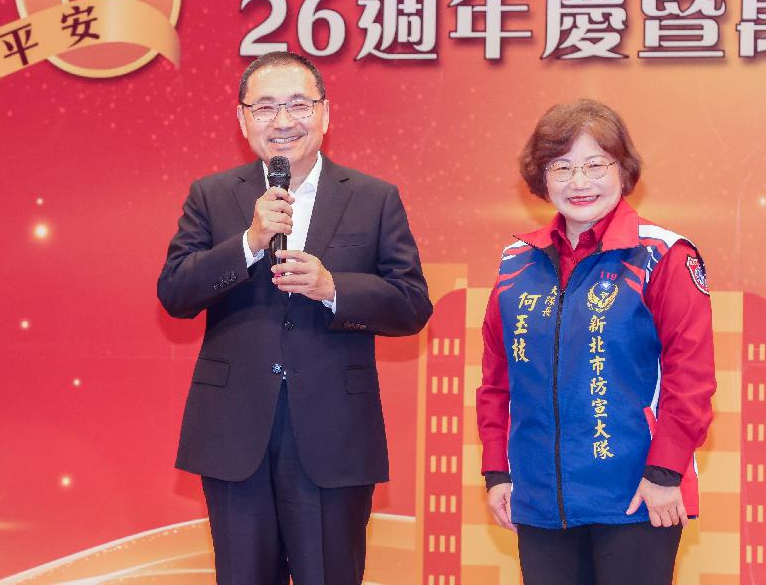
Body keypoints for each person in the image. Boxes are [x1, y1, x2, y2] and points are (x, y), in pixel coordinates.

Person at [157, 51, 433, 584]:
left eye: (298, 105)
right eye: (265, 108)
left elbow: (412, 304)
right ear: (243, 121)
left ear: (325, 114)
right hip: (235, 432)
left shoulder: (374, 198)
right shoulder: (212, 196)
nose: (282, 121)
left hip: (334, 435)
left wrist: (334, 289)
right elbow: (175, 293)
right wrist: (249, 242)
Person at [476, 98, 715, 585]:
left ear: (623, 171)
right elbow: (497, 380)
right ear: (542, 178)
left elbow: (690, 379)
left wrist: (665, 474)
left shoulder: (663, 255)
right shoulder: (516, 263)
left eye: (595, 165)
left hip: (637, 497)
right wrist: (497, 471)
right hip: (539, 500)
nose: (578, 182)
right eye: (561, 167)